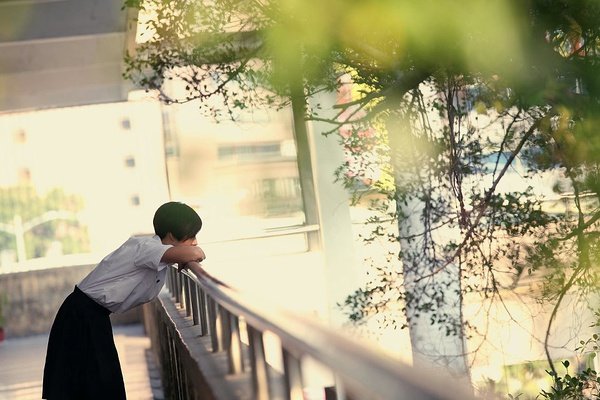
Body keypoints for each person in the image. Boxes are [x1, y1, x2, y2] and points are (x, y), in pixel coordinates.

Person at [42, 201, 208, 400]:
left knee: (100, 383)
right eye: (191, 236)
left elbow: (183, 253)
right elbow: (196, 253)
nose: (195, 242)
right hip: (82, 316)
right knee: (95, 384)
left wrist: (179, 257)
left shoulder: (153, 252)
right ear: (172, 235)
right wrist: (185, 256)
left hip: (91, 314)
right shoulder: (146, 248)